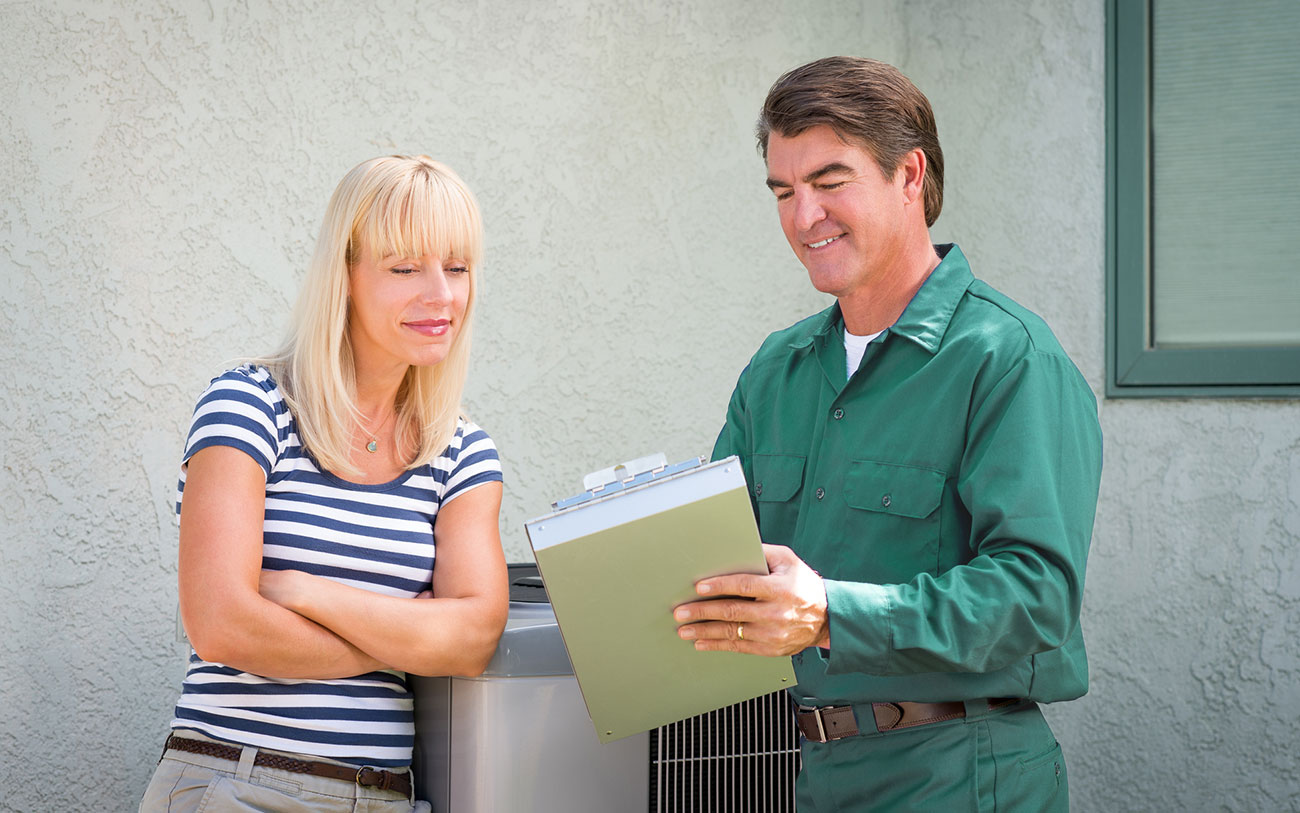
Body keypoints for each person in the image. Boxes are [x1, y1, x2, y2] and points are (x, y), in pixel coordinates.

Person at [673, 57, 1102, 811]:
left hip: (957, 777)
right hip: (790, 776)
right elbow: (726, 571)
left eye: (830, 181)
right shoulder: (775, 371)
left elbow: (1036, 598)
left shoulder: (1007, 359)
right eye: (784, 190)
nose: (804, 217)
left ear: (910, 176)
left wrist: (831, 613)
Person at [139, 155, 508, 812]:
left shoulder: (463, 452)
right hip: (238, 783)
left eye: (456, 267)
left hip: (386, 798)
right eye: (404, 268)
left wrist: (302, 592)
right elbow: (221, 624)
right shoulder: (247, 406)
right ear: (344, 275)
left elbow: (473, 638)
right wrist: (405, 638)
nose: (441, 294)